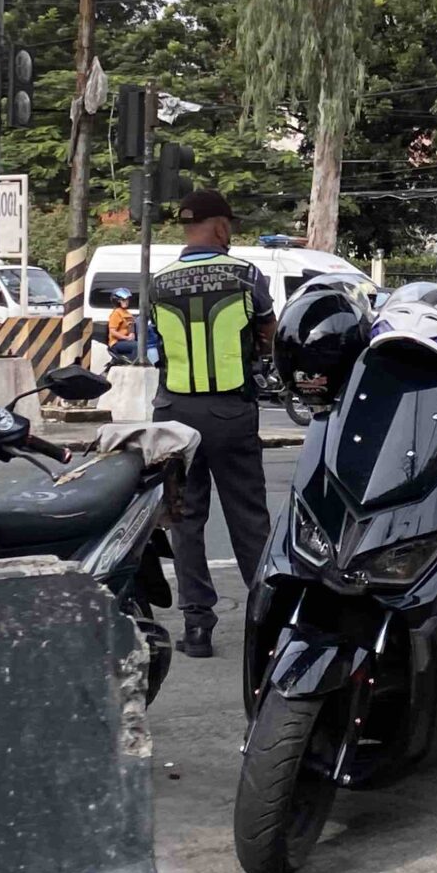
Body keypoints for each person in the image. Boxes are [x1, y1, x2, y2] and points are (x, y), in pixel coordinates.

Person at [147, 189, 276, 660]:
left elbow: (157, 340)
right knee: (249, 519)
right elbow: (268, 332)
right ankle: (269, 621)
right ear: (221, 227)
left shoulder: (158, 281)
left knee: (185, 520)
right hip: (230, 411)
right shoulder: (245, 275)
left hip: (173, 415)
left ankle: (197, 627)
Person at [106, 289, 138, 364]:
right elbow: (112, 331)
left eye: (127, 300)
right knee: (137, 346)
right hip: (116, 343)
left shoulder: (128, 313)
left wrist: (132, 334)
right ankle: (133, 364)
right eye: (123, 300)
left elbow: (131, 326)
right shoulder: (116, 313)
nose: (126, 302)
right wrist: (126, 337)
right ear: (117, 301)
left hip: (126, 341)